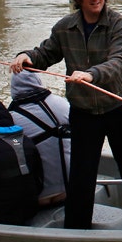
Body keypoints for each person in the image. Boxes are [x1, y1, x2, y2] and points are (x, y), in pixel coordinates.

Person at [10, 0, 122, 230]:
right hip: (84, 114)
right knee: (80, 178)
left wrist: (90, 75)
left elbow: (119, 62)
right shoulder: (65, 27)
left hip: (119, 107)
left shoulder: (119, 24)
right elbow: (45, 54)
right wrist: (25, 57)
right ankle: (77, 232)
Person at [10, 70, 71, 207]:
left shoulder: (12, 118)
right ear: (38, 81)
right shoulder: (63, 104)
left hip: (39, 196)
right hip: (71, 187)